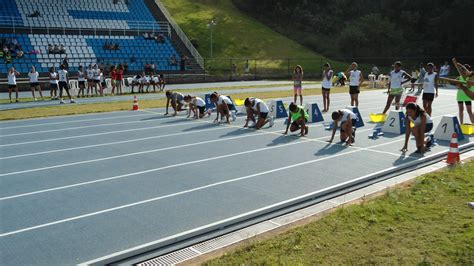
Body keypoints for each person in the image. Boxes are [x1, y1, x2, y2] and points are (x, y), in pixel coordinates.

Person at [452, 58, 474, 124]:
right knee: (460, 110)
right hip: (460, 95)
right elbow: (457, 85)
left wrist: (460, 86)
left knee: (469, 110)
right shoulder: (460, 76)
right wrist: (455, 63)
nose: (462, 71)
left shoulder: (471, 77)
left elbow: (468, 86)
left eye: (464, 70)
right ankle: (461, 124)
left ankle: (473, 124)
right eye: (462, 70)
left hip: (467, 95)